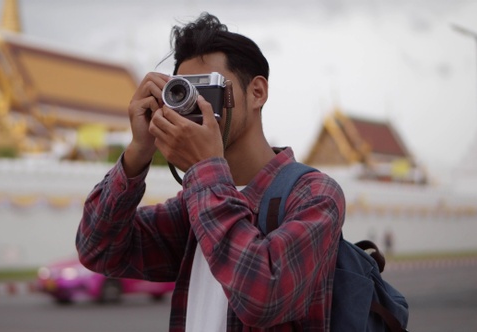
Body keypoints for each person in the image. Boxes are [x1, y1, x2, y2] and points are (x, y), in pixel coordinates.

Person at [76, 12, 345, 331]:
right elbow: (98, 249)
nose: (195, 103)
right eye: (183, 91)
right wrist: (139, 150)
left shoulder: (314, 194)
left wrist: (205, 170)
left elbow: (263, 296)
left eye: (208, 89)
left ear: (257, 92)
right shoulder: (195, 206)